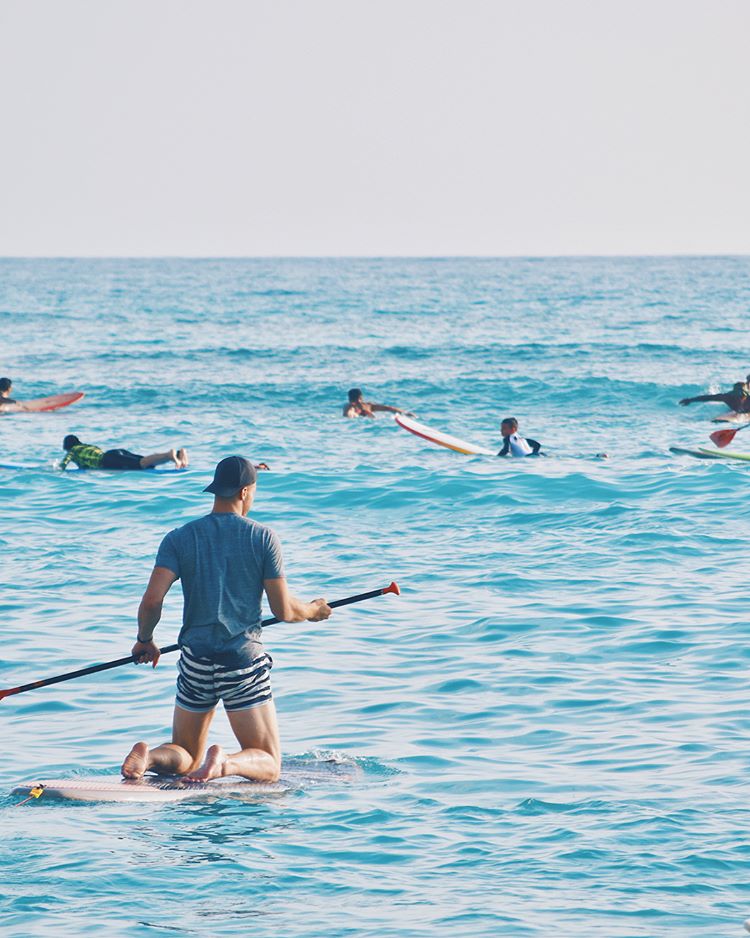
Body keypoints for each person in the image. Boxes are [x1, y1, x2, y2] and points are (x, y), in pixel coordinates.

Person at [121, 455, 332, 783]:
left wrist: (145, 639)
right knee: (269, 765)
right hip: (241, 661)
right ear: (245, 492)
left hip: (196, 661)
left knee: (186, 754)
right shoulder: (262, 538)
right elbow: (284, 611)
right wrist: (314, 610)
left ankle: (149, 757)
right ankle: (225, 763)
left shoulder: (179, 537)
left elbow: (151, 601)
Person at [60, 434, 189, 471]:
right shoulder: (87, 446)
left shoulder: (73, 451)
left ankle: (169, 454)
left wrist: (58, 468)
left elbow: (64, 464)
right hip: (113, 453)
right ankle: (178, 454)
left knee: (141, 463)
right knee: (146, 462)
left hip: (107, 460)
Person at [679, 381, 750, 413]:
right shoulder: (727, 397)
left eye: (741, 396)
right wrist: (690, 400)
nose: (739, 398)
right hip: (735, 411)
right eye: (736, 396)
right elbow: (708, 398)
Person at [343, 387, 413, 419]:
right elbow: (389, 408)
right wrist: (405, 413)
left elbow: (346, 415)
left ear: (349, 398)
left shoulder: (348, 407)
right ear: (361, 397)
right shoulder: (368, 406)